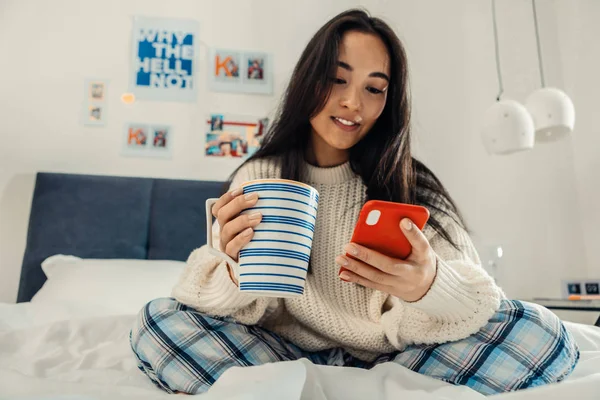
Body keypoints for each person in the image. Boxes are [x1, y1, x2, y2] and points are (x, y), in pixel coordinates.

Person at [130, 9, 579, 395]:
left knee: (544, 332)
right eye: (337, 79)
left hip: (394, 362)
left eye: (374, 88)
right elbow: (217, 302)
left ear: (390, 100)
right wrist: (231, 267)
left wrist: (429, 285)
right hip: (286, 359)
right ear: (309, 81)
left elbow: (480, 301)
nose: (352, 102)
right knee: (157, 321)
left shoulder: (409, 185)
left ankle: (327, 395)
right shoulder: (261, 176)